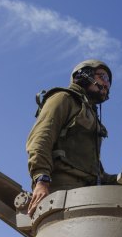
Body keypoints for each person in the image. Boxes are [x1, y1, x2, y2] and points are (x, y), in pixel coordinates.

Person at [26, 59, 116, 216]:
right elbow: (41, 137)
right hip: (61, 190)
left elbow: (91, 168)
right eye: (102, 77)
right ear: (84, 75)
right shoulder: (63, 98)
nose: (107, 84)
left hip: (87, 193)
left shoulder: (91, 114)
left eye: (109, 81)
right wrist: (41, 180)